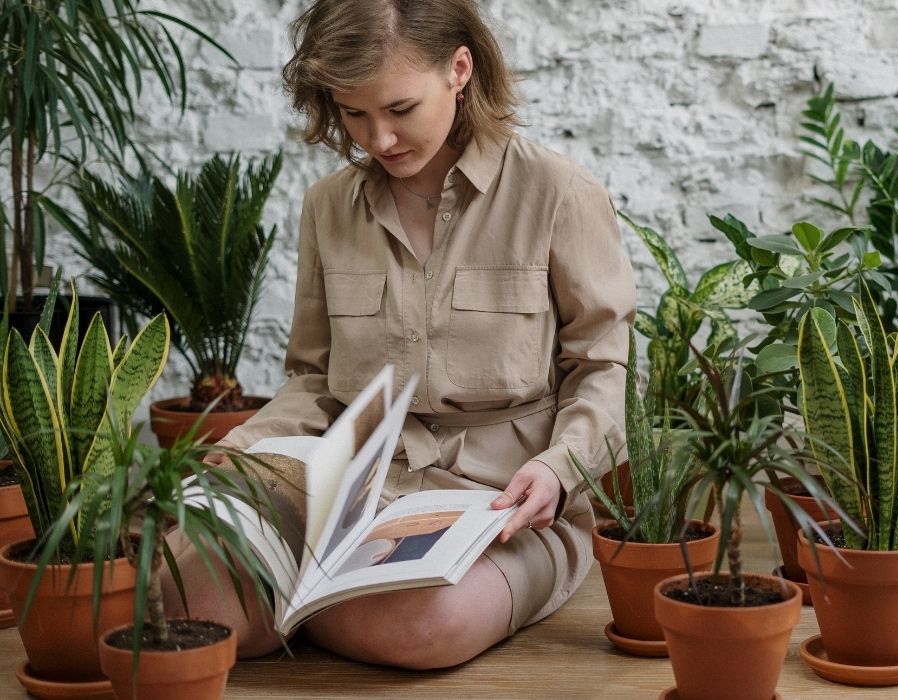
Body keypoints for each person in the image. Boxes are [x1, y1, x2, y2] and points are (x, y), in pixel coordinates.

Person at [164, 0, 634, 670]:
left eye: (400, 109)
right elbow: (312, 381)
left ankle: (288, 606)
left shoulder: (557, 192)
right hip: (351, 495)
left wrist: (559, 470)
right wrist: (243, 449)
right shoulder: (329, 205)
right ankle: (309, 599)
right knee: (189, 603)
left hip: (503, 506)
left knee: (420, 628)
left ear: (459, 69)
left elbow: (602, 368)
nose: (378, 139)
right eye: (354, 115)